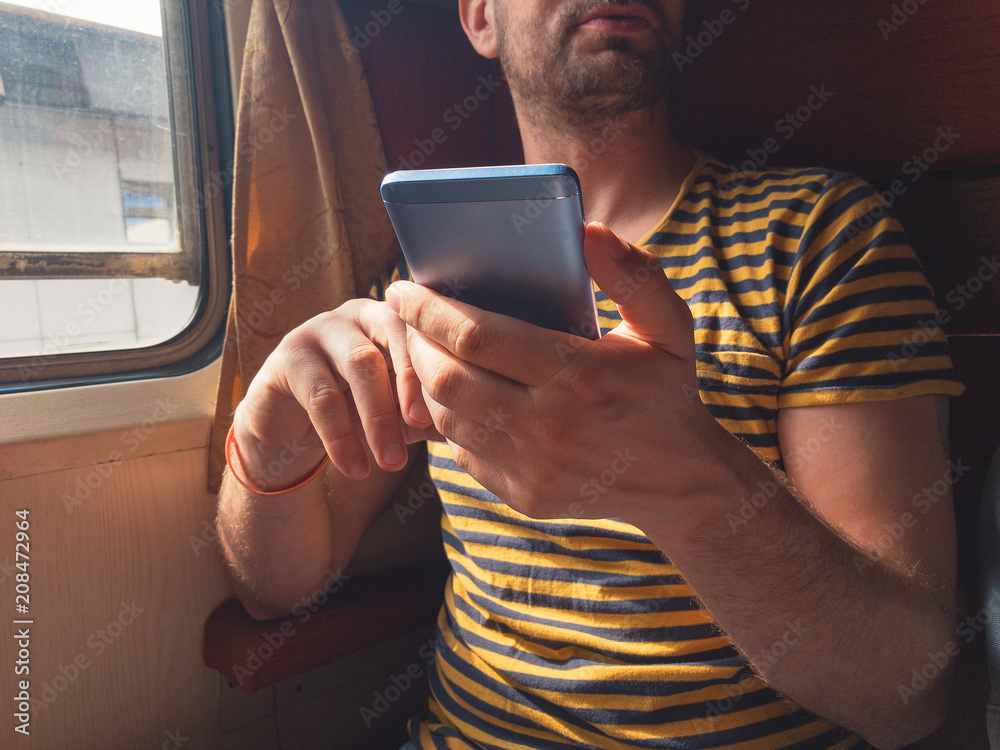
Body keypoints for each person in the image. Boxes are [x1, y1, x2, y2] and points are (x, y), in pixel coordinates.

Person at [216, 1, 965, 747]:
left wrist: (688, 482)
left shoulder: (822, 237)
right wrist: (264, 437)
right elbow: (280, 592)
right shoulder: (426, 286)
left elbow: (908, 695)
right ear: (480, 19)